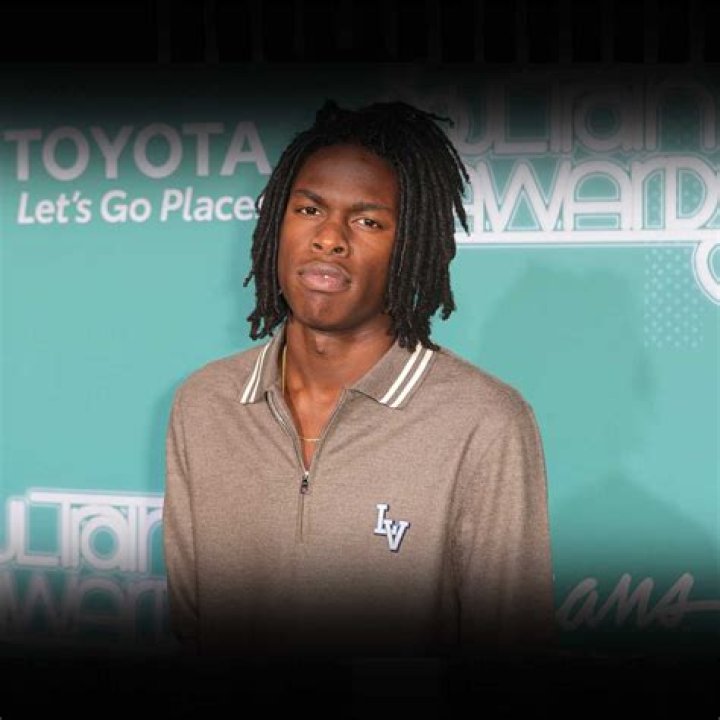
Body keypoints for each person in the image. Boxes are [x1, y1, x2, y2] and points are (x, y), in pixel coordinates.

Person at [163, 100, 554, 663]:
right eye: (308, 209)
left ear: (411, 246)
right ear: (276, 224)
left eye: (367, 221)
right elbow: (192, 633)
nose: (330, 238)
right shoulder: (204, 404)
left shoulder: (486, 423)